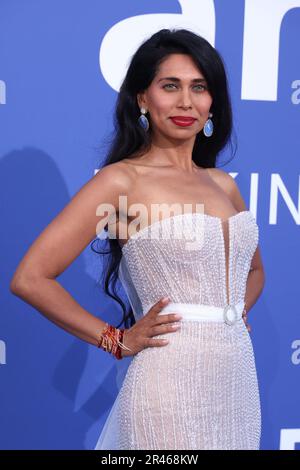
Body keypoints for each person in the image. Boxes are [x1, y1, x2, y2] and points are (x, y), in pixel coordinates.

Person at [10, 28, 265, 450]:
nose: (186, 101)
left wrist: (231, 313)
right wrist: (117, 339)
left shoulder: (224, 185)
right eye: (170, 86)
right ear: (142, 98)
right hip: (167, 384)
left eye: (199, 88)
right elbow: (31, 277)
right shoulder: (121, 181)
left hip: (236, 381)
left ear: (212, 102)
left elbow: (253, 271)